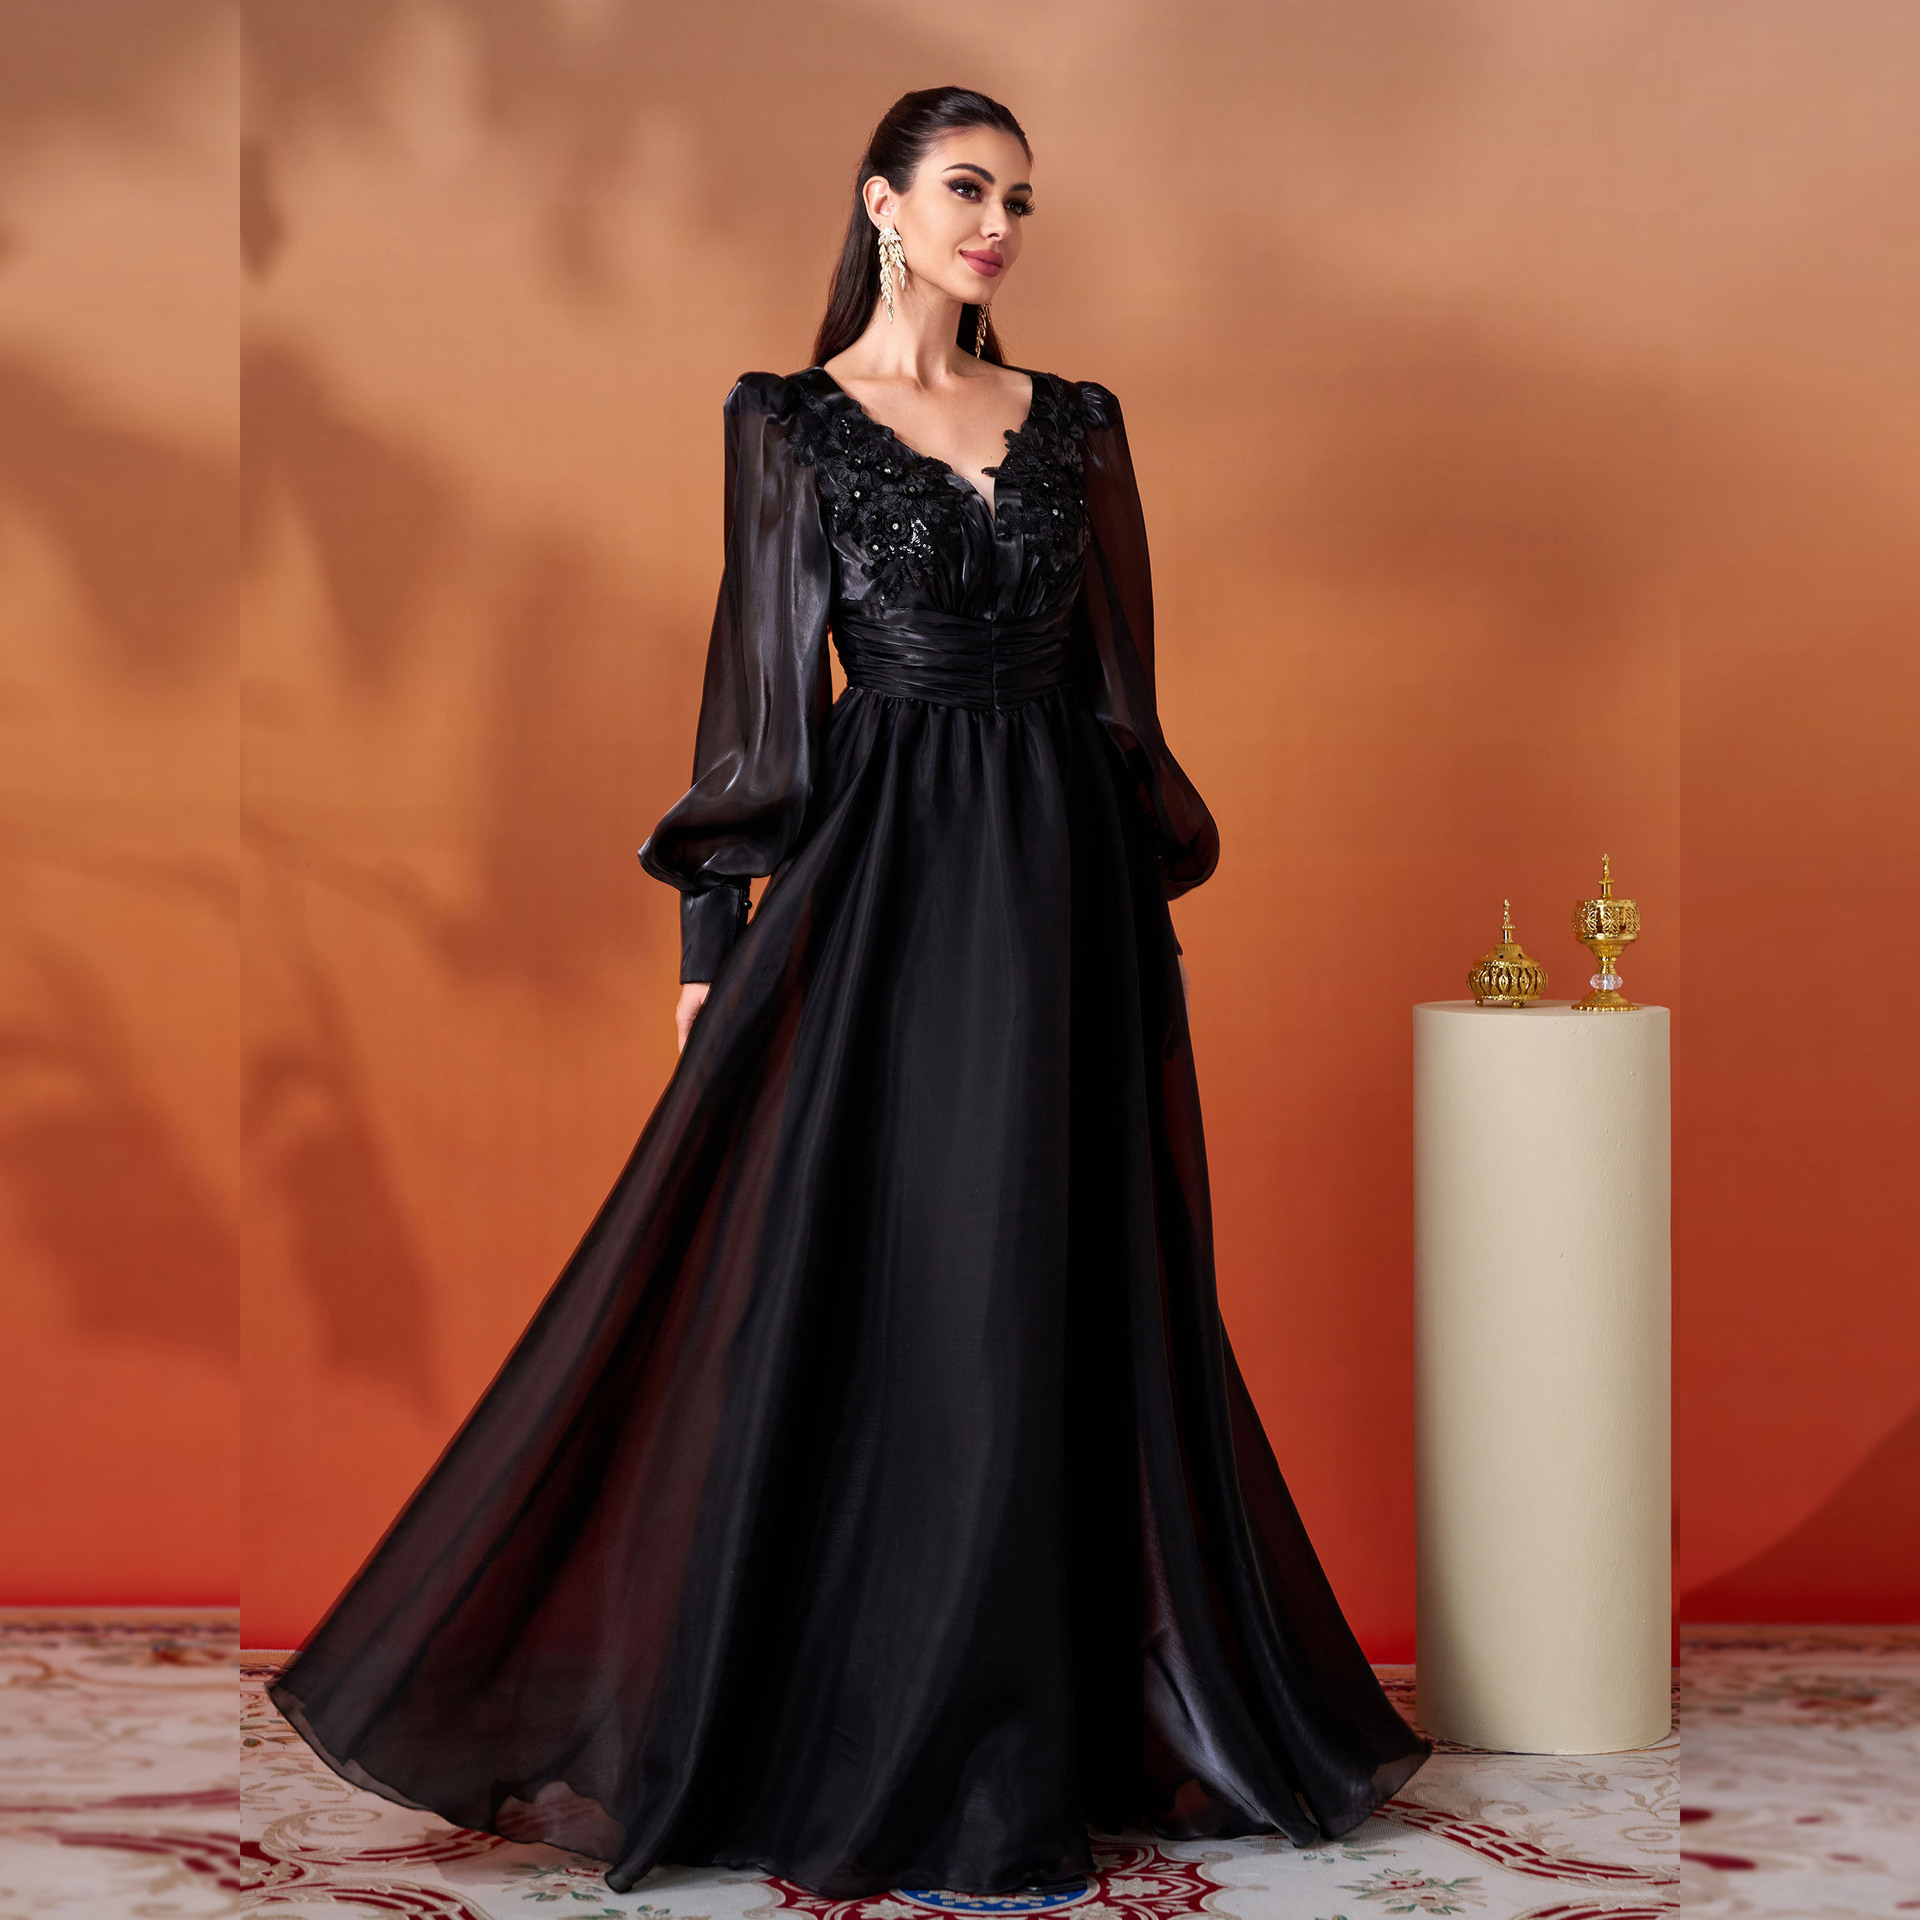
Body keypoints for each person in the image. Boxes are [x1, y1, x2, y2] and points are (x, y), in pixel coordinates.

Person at [269, 85, 1428, 1900]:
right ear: (882, 204)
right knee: (921, 1292)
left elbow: (1122, 699)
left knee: (1057, 1283)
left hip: (1068, 896)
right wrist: (708, 950)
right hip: (883, 892)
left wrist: (1141, 918)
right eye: (967, 189)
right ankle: (920, 1745)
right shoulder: (789, 421)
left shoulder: (1080, 422)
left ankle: (1055, 1723)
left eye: (1019, 200)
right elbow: (755, 702)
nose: (998, 227)